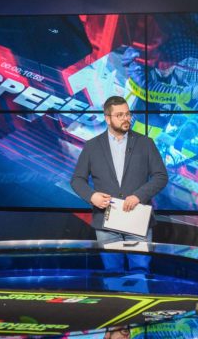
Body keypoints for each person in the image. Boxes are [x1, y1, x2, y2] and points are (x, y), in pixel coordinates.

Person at [71, 96, 168, 272]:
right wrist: (92, 196)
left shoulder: (145, 143)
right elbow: (77, 179)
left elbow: (161, 176)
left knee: (140, 272)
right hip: (106, 222)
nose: (126, 119)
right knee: (112, 274)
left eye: (128, 114)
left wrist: (139, 196)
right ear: (108, 119)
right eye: (120, 115)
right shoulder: (92, 146)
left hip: (137, 220)